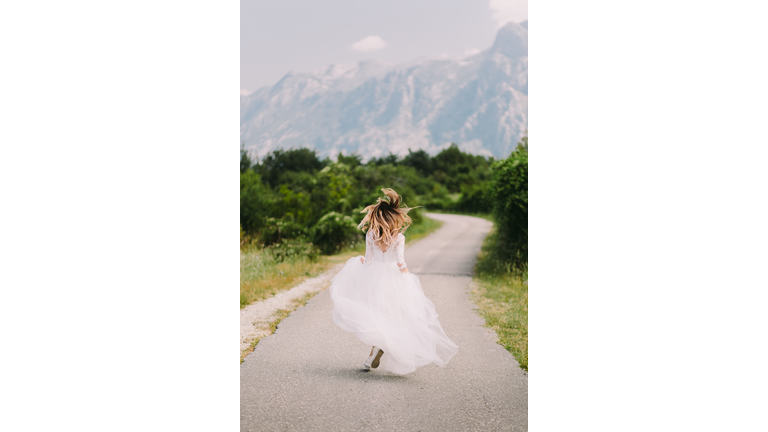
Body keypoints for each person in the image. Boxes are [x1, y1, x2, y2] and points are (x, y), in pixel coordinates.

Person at [329, 188, 459, 375]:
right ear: (393, 218)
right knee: (394, 315)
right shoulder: (399, 237)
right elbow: (400, 261)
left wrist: (359, 265)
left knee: (375, 314)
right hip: (393, 276)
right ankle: (377, 351)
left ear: (377, 217)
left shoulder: (371, 235)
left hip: (373, 275)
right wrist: (405, 275)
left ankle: (373, 352)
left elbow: (369, 260)